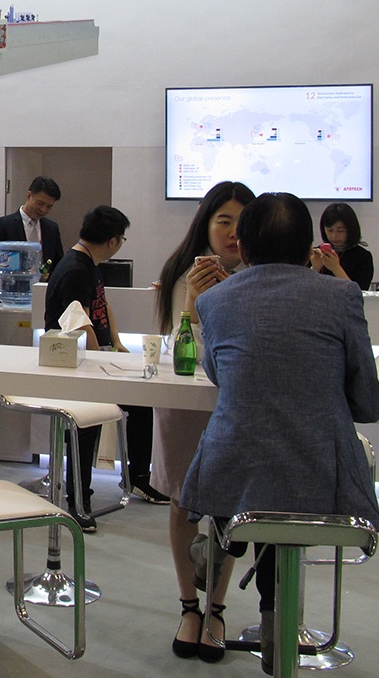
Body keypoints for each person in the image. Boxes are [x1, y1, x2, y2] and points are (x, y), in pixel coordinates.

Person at [179, 192, 379, 674]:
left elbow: (218, 374)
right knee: (283, 482)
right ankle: (276, 626)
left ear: (245, 247)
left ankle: (221, 546)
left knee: (257, 476)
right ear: (307, 247)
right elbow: (368, 402)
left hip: (232, 477)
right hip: (320, 481)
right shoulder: (341, 296)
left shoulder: (214, 300)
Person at [152, 180, 255, 661]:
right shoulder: (183, 274)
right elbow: (181, 353)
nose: (233, 233)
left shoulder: (260, 276)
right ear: (205, 224)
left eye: (242, 222)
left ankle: (216, 608)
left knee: (228, 508)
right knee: (182, 501)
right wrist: (193, 301)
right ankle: (188, 607)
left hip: (237, 406)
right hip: (184, 406)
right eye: (223, 221)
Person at [44, 205, 164, 531]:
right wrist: (101, 363)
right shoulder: (75, 269)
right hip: (74, 366)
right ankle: (77, 500)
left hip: (93, 359)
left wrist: (117, 342)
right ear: (112, 241)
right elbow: (80, 324)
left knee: (141, 403)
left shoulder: (89, 264)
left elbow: (102, 304)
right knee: (86, 424)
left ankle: (138, 477)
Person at [0, 175, 65, 271]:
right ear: (29, 196)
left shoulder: (51, 228)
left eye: (49, 207)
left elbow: (58, 264)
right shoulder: (5, 225)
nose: (43, 210)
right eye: (40, 203)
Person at [311, 202, 374, 291]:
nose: (334, 236)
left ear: (351, 229)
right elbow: (302, 288)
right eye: (329, 230)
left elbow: (359, 293)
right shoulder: (316, 254)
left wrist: (336, 268)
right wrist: (315, 268)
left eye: (340, 231)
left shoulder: (363, 257)